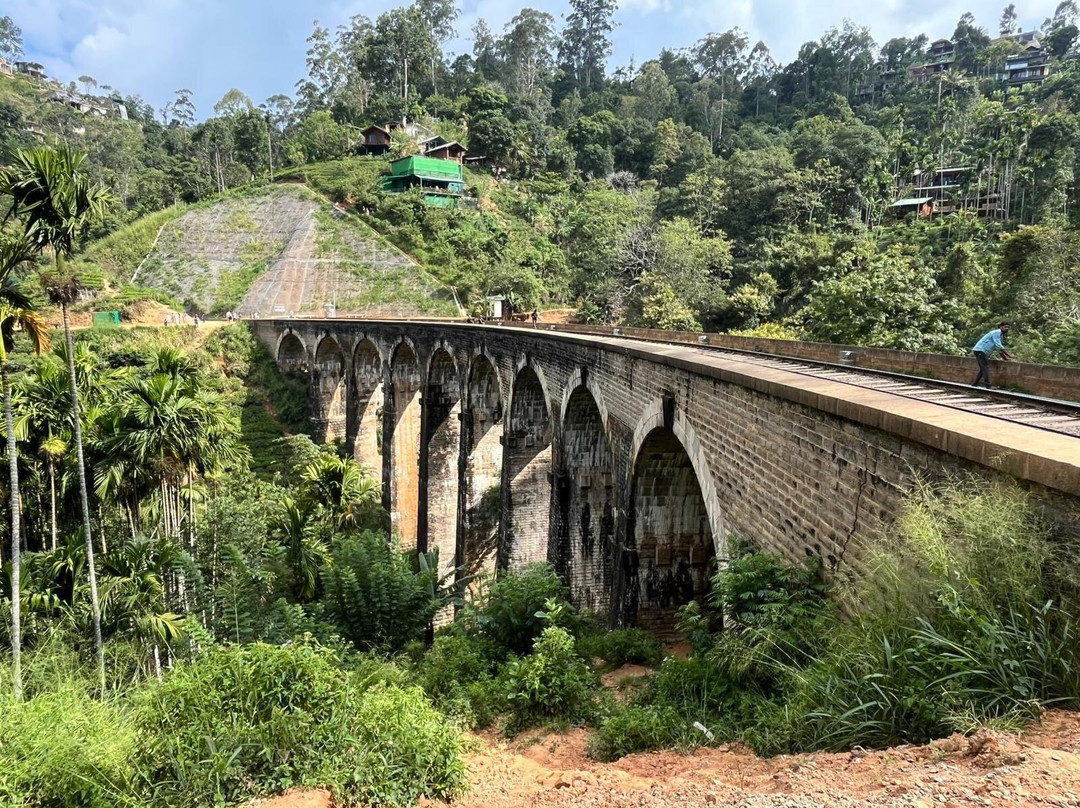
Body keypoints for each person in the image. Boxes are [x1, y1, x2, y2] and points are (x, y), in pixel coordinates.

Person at [972, 322, 1014, 388]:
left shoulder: (1000, 335)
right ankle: (988, 385)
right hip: (980, 350)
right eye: (1005, 327)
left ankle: (974, 384)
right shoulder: (997, 332)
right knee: (985, 367)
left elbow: (998, 348)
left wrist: (1005, 358)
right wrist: (1009, 355)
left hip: (979, 351)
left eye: (1008, 327)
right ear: (1000, 327)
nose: (1007, 329)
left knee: (983, 368)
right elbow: (999, 345)